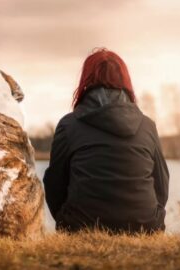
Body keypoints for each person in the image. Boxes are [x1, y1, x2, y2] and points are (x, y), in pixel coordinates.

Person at [43, 48, 169, 234]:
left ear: (86, 81)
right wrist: (150, 217)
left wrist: (66, 219)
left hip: (81, 227)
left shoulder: (68, 125)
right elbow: (162, 185)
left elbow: (54, 185)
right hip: (145, 227)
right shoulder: (147, 126)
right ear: (125, 81)